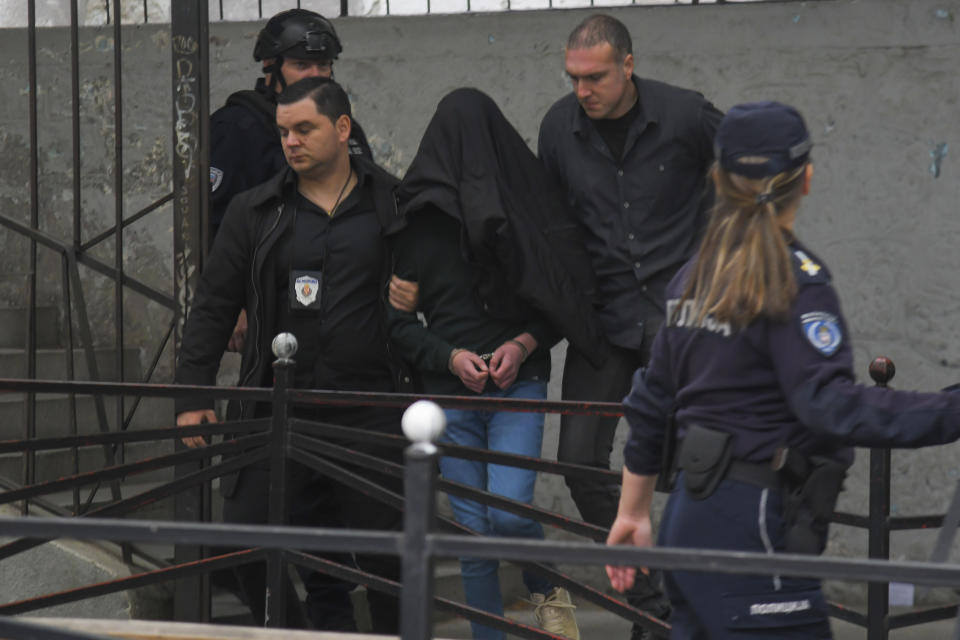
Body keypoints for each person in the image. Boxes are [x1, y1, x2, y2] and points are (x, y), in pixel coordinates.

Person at [606, 101, 960, 638]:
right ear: (807, 179)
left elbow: (653, 400)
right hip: (754, 525)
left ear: (719, 179)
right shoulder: (797, 282)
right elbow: (832, 405)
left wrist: (631, 513)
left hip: (687, 519)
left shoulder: (691, 279)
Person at [176, 77, 406, 633]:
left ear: (342, 128)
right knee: (246, 542)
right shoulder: (255, 211)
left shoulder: (392, 203)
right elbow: (212, 304)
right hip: (278, 409)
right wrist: (192, 394)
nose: (291, 142)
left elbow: (440, 282)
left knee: (387, 561)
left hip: (370, 411)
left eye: (305, 128)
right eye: (284, 132)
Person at [388, 89, 607, 640]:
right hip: (448, 401)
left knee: (508, 516)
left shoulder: (527, 214)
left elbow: (564, 303)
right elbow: (397, 325)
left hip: (518, 391)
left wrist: (524, 346)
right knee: (473, 536)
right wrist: (450, 356)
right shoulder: (417, 225)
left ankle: (556, 618)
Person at [537, 14, 722, 633]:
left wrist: (717, 266)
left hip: (686, 317)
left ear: (628, 66)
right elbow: (555, 225)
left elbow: (746, 186)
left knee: (707, 464)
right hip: (606, 318)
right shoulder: (558, 130)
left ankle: (701, 602)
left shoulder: (688, 115)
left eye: (595, 77)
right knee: (578, 459)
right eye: (573, 78)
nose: (583, 90)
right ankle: (652, 604)